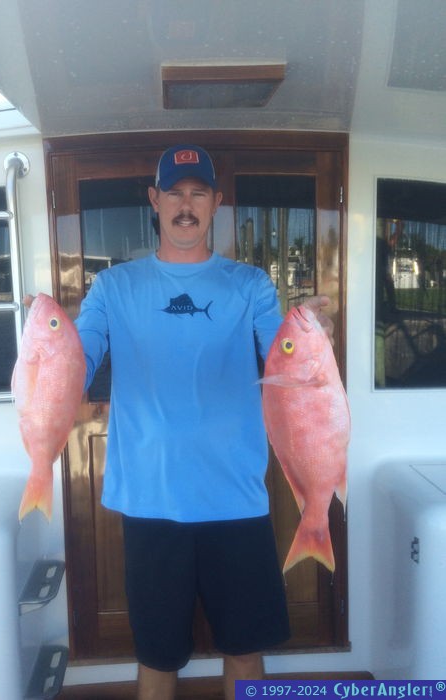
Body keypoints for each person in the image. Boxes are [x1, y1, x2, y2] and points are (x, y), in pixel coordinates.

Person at [75, 145, 333, 700]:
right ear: (155, 200)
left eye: (198, 193)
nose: (185, 205)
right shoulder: (113, 287)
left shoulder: (250, 285)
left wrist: (309, 337)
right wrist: (44, 352)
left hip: (234, 499)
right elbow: (80, 359)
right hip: (150, 500)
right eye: (175, 193)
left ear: (217, 202)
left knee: (245, 650)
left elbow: (280, 358)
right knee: (157, 657)